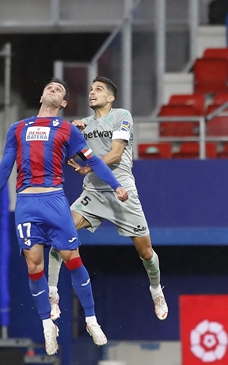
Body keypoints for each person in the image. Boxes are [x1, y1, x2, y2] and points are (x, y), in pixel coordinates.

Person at [0, 78, 129, 355]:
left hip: (54, 200)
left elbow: (92, 160)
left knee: (71, 257)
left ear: (63, 104)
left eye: (60, 89)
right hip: (26, 202)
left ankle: (91, 320)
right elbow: (4, 166)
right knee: (34, 265)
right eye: (50, 86)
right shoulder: (18, 128)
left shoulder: (66, 129)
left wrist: (116, 185)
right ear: (41, 96)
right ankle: (48, 325)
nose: (54, 88)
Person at [47, 76, 167, 322]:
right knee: (59, 234)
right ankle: (52, 294)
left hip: (122, 192)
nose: (92, 93)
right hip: (93, 193)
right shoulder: (84, 124)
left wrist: (88, 168)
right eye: (91, 89)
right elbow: (67, 154)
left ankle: (156, 290)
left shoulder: (122, 116)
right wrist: (72, 134)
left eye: (99, 90)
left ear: (110, 98)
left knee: (145, 253)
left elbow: (115, 154)